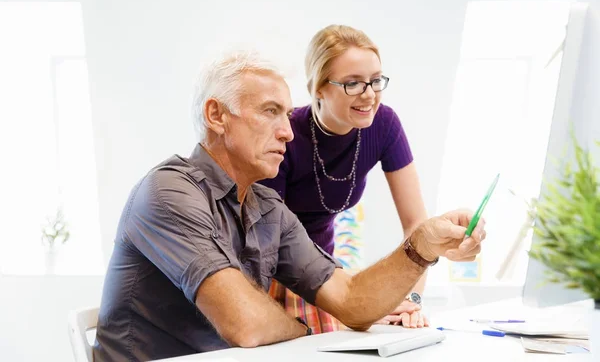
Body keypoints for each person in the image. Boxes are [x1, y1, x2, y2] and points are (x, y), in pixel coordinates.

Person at [93, 50, 486, 362]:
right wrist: (305, 330)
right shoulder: (167, 192)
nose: (287, 131)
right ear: (217, 115)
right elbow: (246, 324)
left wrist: (421, 248)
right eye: (270, 111)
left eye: (286, 112)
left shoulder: (266, 206)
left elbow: (350, 299)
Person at [260, 24, 430, 331]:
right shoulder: (285, 135)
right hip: (273, 274)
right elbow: (266, 243)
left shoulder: (384, 125)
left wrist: (411, 299)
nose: (369, 95)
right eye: (353, 84)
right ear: (319, 88)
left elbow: (417, 226)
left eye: (376, 81)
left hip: (327, 272)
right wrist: (357, 304)